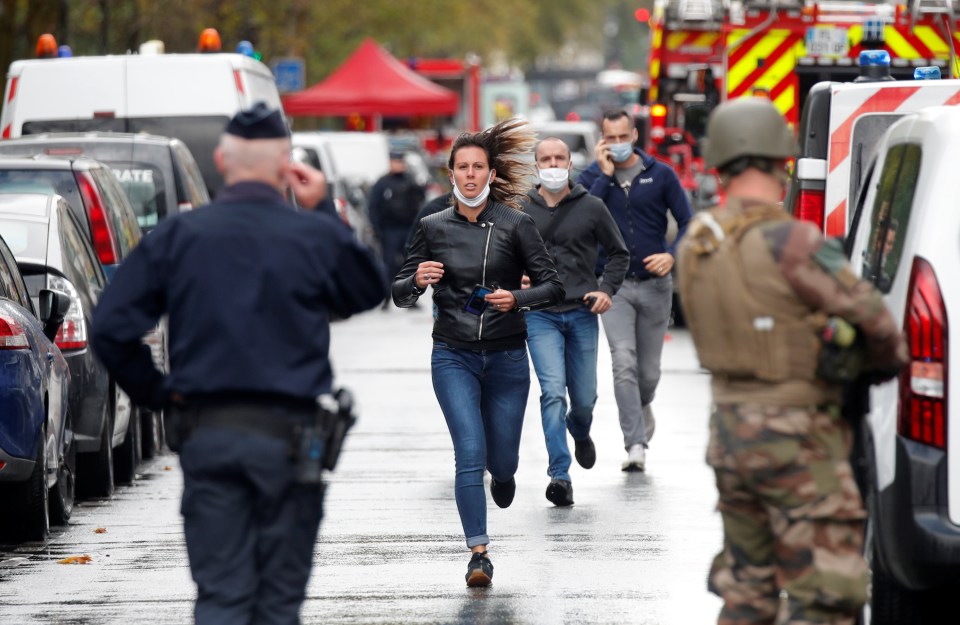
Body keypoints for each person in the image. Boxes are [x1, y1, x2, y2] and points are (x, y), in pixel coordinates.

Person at [90, 102, 387, 625]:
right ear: (285, 167)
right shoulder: (311, 235)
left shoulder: (180, 237)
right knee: (277, 604)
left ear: (222, 162)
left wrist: (159, 394)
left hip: (210, 436)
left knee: (222, 597)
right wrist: (320, 208)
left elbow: (110, 328)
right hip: (292, 441)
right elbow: (368, 290)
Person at [676, 98, 909, 625]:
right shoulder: (792, 240)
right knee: (825, 596)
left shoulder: (698, 241)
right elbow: (879, 326)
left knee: (747, 592)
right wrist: (861, 363)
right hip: (798, 437)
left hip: (730, 432)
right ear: (781, 161)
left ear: (720, 162)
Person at [393, 118, 564, 587]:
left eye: (478, 167)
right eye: (462, 167)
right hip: (454, 354)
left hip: (508, 356)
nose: (470, 175)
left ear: (491, 174)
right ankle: (478, 554)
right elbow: (398, 291)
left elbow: (554, 285)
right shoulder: (432, 226)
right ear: (450, 174)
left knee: (501, 464)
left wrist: (517, 299)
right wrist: (416, 281)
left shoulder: (517, 224)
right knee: (469, 451)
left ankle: (504, 475)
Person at [577, 109, 693, 472]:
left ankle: (641, 407)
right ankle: (635, 445)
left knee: (648, 374)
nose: (616, 145)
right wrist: (605, 178)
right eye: (609, 138)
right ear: (601, 140)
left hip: (656, 286)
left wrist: (672, 256)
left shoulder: (660, 175)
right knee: (623, 363)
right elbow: (580, 221)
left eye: (622, 137)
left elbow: (689, 221)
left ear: (634, 136)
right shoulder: (593, 176)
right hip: (613, 287)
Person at [520, 137, 629, 506]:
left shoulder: (592, 207)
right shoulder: (519, 210)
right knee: (552, 392)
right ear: (536, 166)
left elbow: (618, 254)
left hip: (582, 311)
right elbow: (500, 256)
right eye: (545, 159)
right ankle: (559, 474)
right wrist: (513, 278)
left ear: (570, 163)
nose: (552, 164)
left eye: (559, 158)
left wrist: (607, 290)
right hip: (540, 314)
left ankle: (580, 430)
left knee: (583, 398)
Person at [369, 150, 425, 307]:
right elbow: (373, 207)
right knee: (388, 265)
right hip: (390, 230)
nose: (399, 165)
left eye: (401, 162)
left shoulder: (410, 180)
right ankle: (387, 298)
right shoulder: (383, 183)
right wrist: (377, 229)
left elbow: (420, 200)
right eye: (396, 161)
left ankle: (410, 298)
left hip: (407, 229)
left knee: (409, 264)